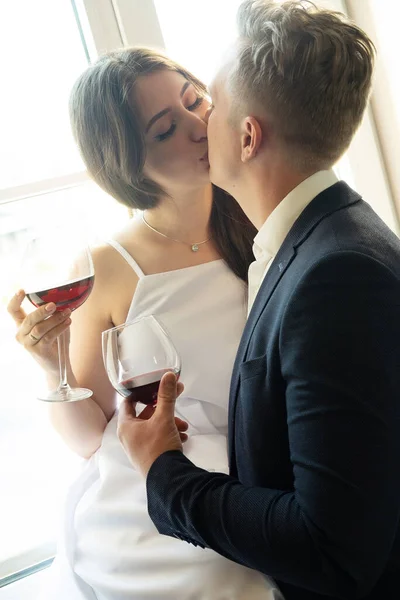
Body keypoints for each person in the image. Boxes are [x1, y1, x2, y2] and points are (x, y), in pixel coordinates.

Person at [117, 2, 400, 599]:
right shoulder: (312, 242)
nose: (200, 125)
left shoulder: (337, 277)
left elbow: (331, 546)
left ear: (248, 138)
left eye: (209, 106)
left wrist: (163, 471)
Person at [7, 49, 281, 599]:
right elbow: (91, 437)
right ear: (128, 164)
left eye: (194, 100)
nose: (199, 126)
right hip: (154, 493)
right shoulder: (108, 267)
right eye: (164, 131)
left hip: (268, 472)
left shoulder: (266, 220)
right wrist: (49, 363)